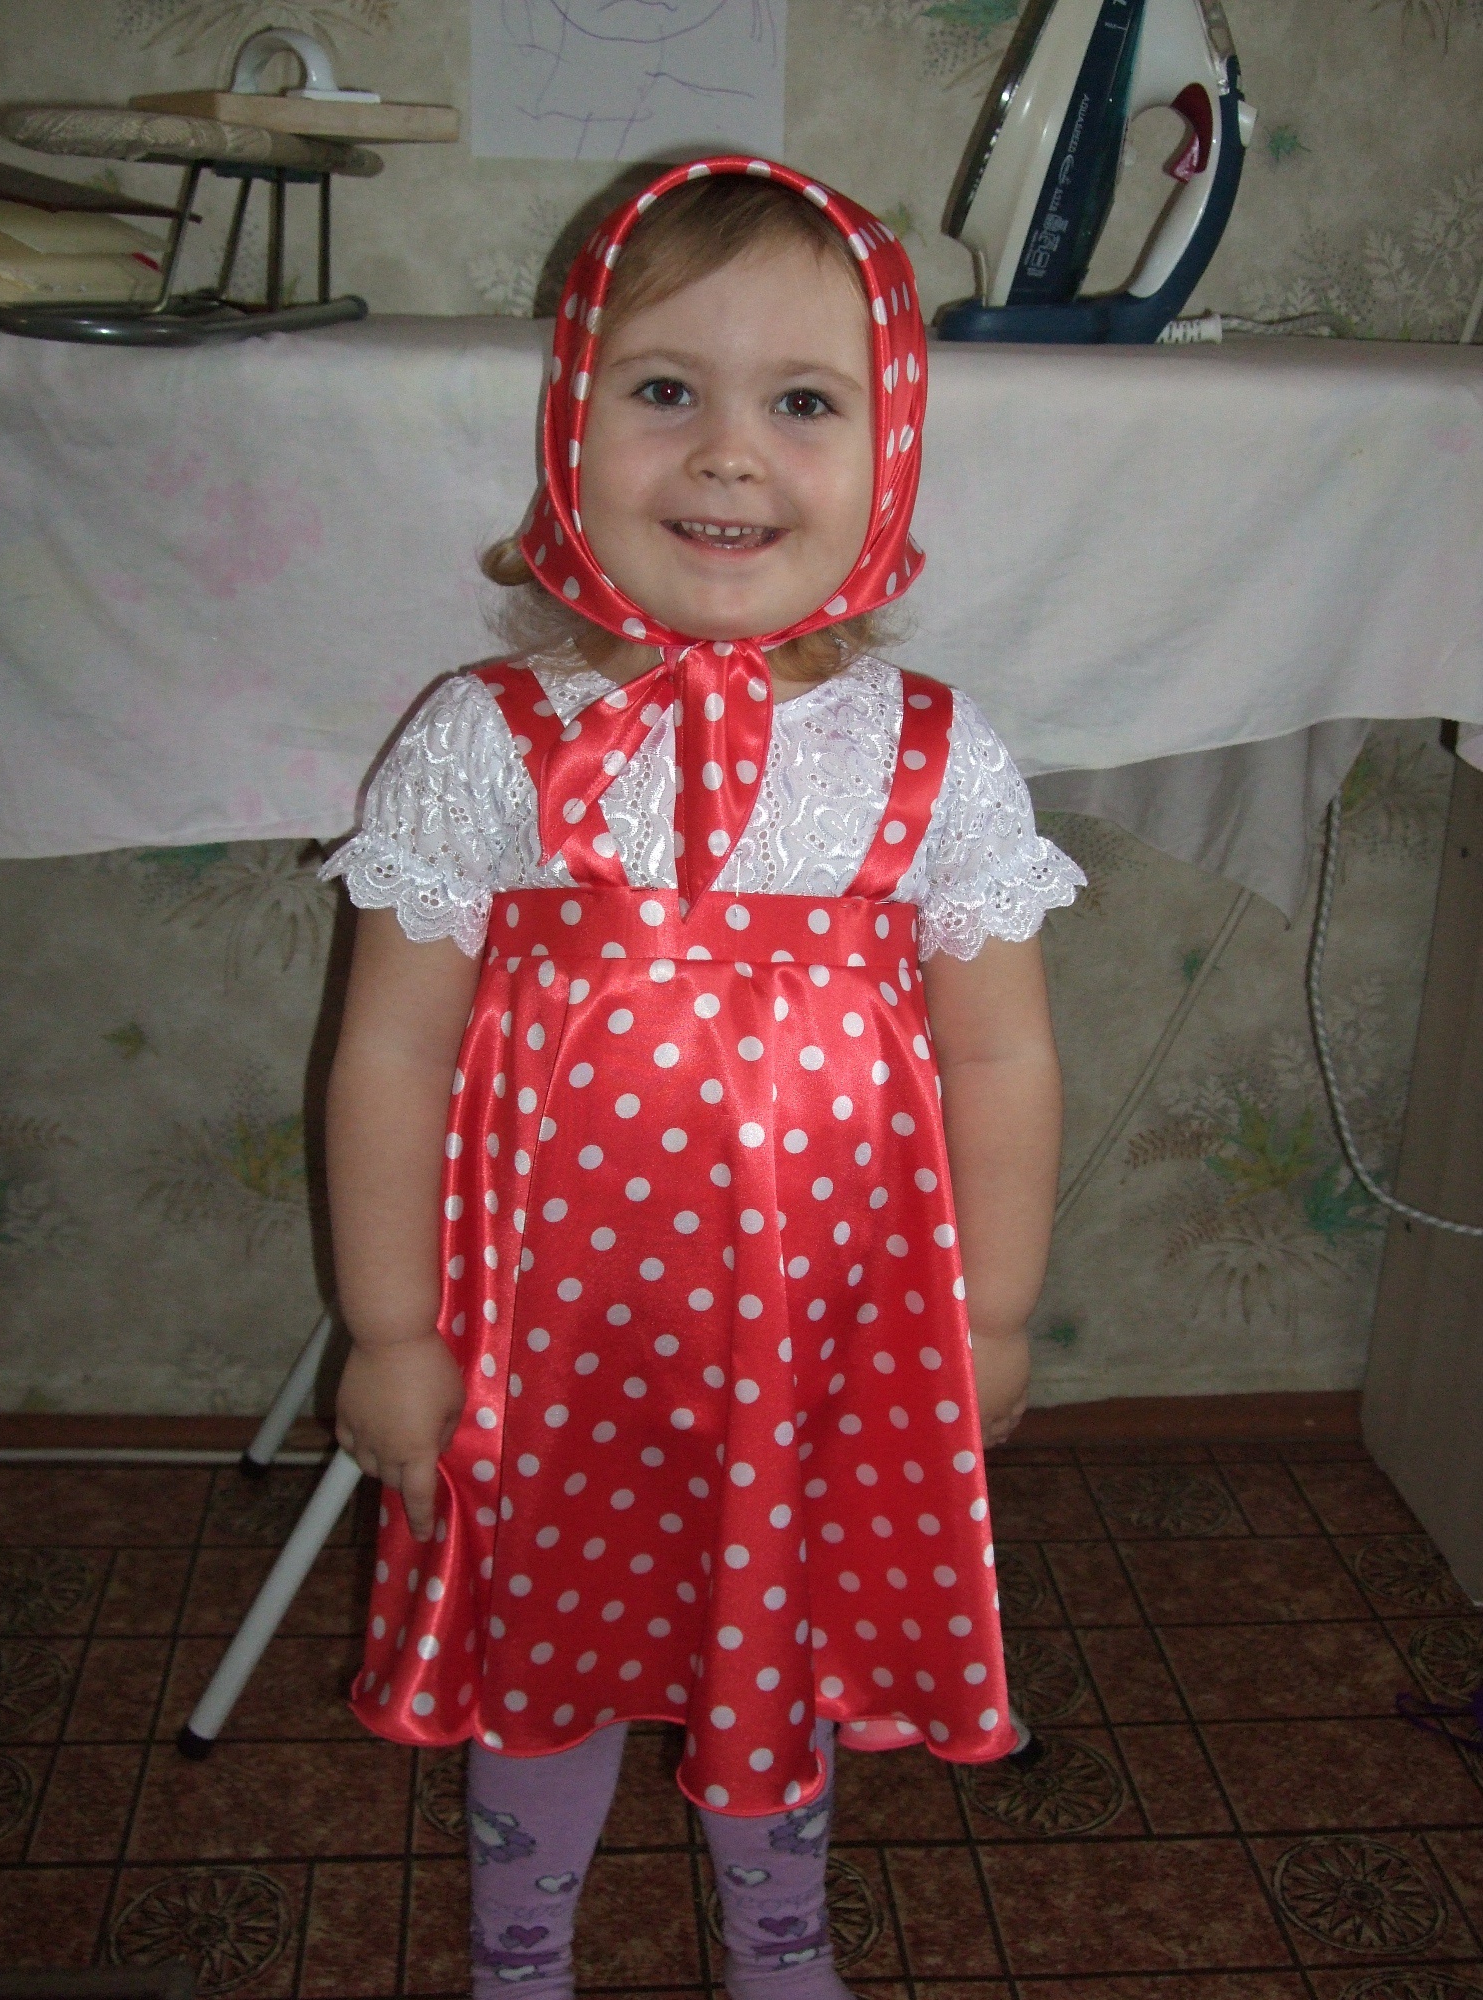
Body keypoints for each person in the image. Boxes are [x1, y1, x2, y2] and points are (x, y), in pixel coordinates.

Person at [321, 156, 1084, 1999]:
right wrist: (394, 1333)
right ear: (570, 428)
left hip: (819, 1347)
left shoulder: (936, 756)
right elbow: (392, 1048)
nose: (731, 454)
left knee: (778, 1636)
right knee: (550, 1645)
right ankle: (522, 1953)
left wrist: (990, 1314)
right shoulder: (485, 740)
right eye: (668, 389)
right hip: (549, 1346)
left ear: (889, 454)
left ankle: (781, 1942)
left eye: (803, 403)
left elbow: (1001, 1049)